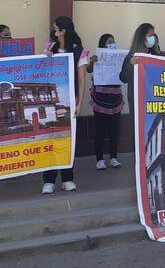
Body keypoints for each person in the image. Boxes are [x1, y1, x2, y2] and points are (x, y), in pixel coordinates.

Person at [42, 16, 87, 194]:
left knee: (67, 141)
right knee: (50, 140)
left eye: (56, 28)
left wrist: (79, 103)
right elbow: (41, 73)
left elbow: (82, 80)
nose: (53, 30)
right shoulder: (49, 48)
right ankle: (49, 180)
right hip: (51, 103)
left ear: (64, 30)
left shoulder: (79, 51)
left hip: (69, 103)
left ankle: (67, 179)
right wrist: (45, 59)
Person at [87, 34, 124, 170]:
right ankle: (100, 159)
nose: (112, 44)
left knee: (115, 130)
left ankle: (114, 157)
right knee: (100, 131)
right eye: (109, 42)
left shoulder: (119, 58)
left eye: (113, 42)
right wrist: (92, 62)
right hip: (100, 99)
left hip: (115, 98)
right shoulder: (98, 57)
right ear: (103, 44)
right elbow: (88, 70)